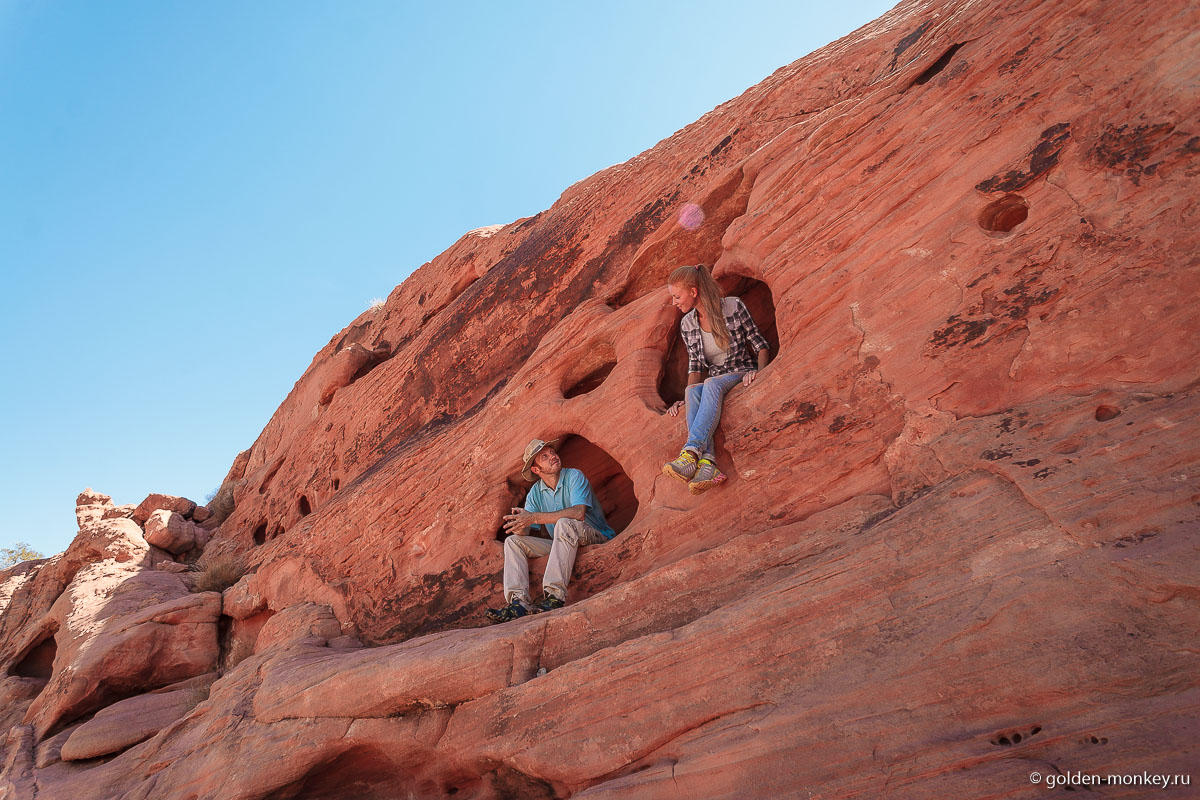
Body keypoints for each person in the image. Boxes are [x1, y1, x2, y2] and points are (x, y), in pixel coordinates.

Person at [663, 264, 770, 493]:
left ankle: (691, 452)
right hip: (717, 380)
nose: (674, 302)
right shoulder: (688, 323)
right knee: (692, 391)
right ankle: (708, 463)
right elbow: (695, 365)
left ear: (693, 291)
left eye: (677, 296)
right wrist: (687, 399)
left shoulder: (733, 306)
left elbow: (760, 345)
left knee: (711, 382)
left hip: (741, 372)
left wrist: (761, 374)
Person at [485, 438, 615, 623]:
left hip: (593, 534)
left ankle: (554, 597)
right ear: (536, 470)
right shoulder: (535, 493)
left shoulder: (574, 476)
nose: (552, 456)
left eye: (552, 452)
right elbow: (527, 532)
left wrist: (534, 517)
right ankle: (518, 604)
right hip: (562, 542)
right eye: (544, 457)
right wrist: (520, 524)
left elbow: (578, 513)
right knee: (513, 542)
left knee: (564, 523)